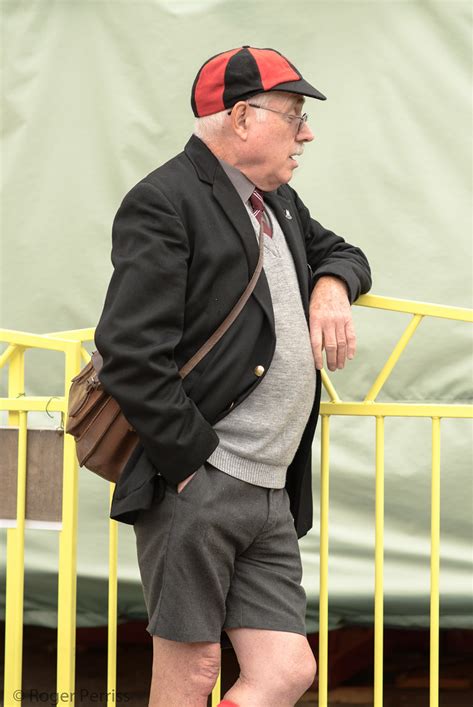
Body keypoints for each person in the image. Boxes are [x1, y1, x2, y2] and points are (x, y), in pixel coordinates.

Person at [94, 46, 371, 707]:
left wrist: (331, 286)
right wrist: (193, 466)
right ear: (243, 117)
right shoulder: (164, 200)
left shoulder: (279, 201)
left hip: (271, 491)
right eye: (295, 114)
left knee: (286, 672)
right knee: (190, 674)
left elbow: (344, 251)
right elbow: (129, 350)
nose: (307, 132)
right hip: (203, 482)